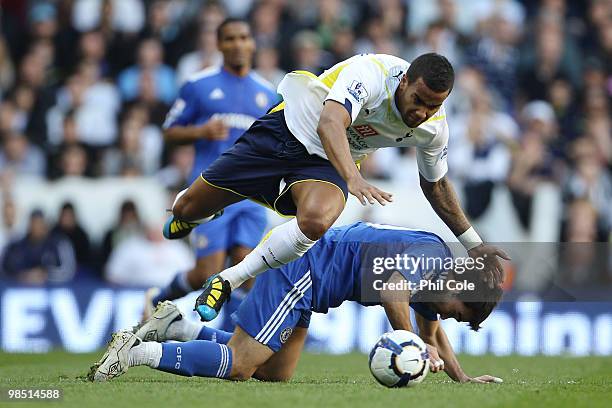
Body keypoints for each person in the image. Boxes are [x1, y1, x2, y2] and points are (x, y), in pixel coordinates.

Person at [162, 51, 509, 322]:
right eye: (418, 100)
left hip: (325, 164)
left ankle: (228, 280)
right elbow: (331, 122)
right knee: (186, 208)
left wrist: (473, 245)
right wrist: (354, 177)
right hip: (286, 131)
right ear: (404, 82)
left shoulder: (434, 128)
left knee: (315, 221)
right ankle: (195, 213)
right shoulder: (371, 73)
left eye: (433, 106)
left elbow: (436, 186)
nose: (422, 112)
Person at [88, 222, 503, 384]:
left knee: (275, 374)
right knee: (239, 366)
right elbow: (393, 293)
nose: (449, 315)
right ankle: (137, 352)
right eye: (458, 310)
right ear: (460, 286)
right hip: (304, 269)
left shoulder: (435, 285)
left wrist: (461, 378)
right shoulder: (429, 256)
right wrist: (410, 343)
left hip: (314, 289)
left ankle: (178, 327)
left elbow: (434, 336)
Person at [146, 19, 277, 320]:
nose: (238, 44)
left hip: (251, 196)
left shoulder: (268, 93)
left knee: (248, 267)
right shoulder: (199, 85)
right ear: (218, 45)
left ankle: (233, 343)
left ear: (253, 43)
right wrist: (201, 131)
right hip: (211, 191)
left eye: (244, 37)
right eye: (230, 39)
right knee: (207, 272)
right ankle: (161, 297)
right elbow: (168, 130)